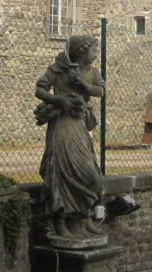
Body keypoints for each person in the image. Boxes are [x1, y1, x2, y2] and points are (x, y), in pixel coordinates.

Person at [34, 35, 105, 243]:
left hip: (80, 126)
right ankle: (61, 222)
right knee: (60, 173)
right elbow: (40, 89)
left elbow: (101, 91)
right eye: (93, 49)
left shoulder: (92, 73)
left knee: (91, 173)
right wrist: (59, 100)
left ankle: (84, 219)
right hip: (62, 125)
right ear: (82, 51)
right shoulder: (58, 69)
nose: (96, 53)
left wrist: (81, 85)